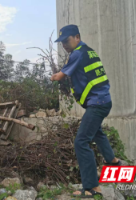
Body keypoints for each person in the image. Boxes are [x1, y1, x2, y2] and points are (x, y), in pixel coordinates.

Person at [51, 25, 121, 198]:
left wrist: (54, 76)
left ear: (77, 37)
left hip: (97, 103)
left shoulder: (77, 53)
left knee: (81, 142)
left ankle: (91, 188)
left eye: (66, 41)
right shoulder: (89, 51)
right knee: (96, 132)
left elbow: (61, 76)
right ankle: (114, 162)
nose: (64, 45)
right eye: (62, 43)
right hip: (103, 101)